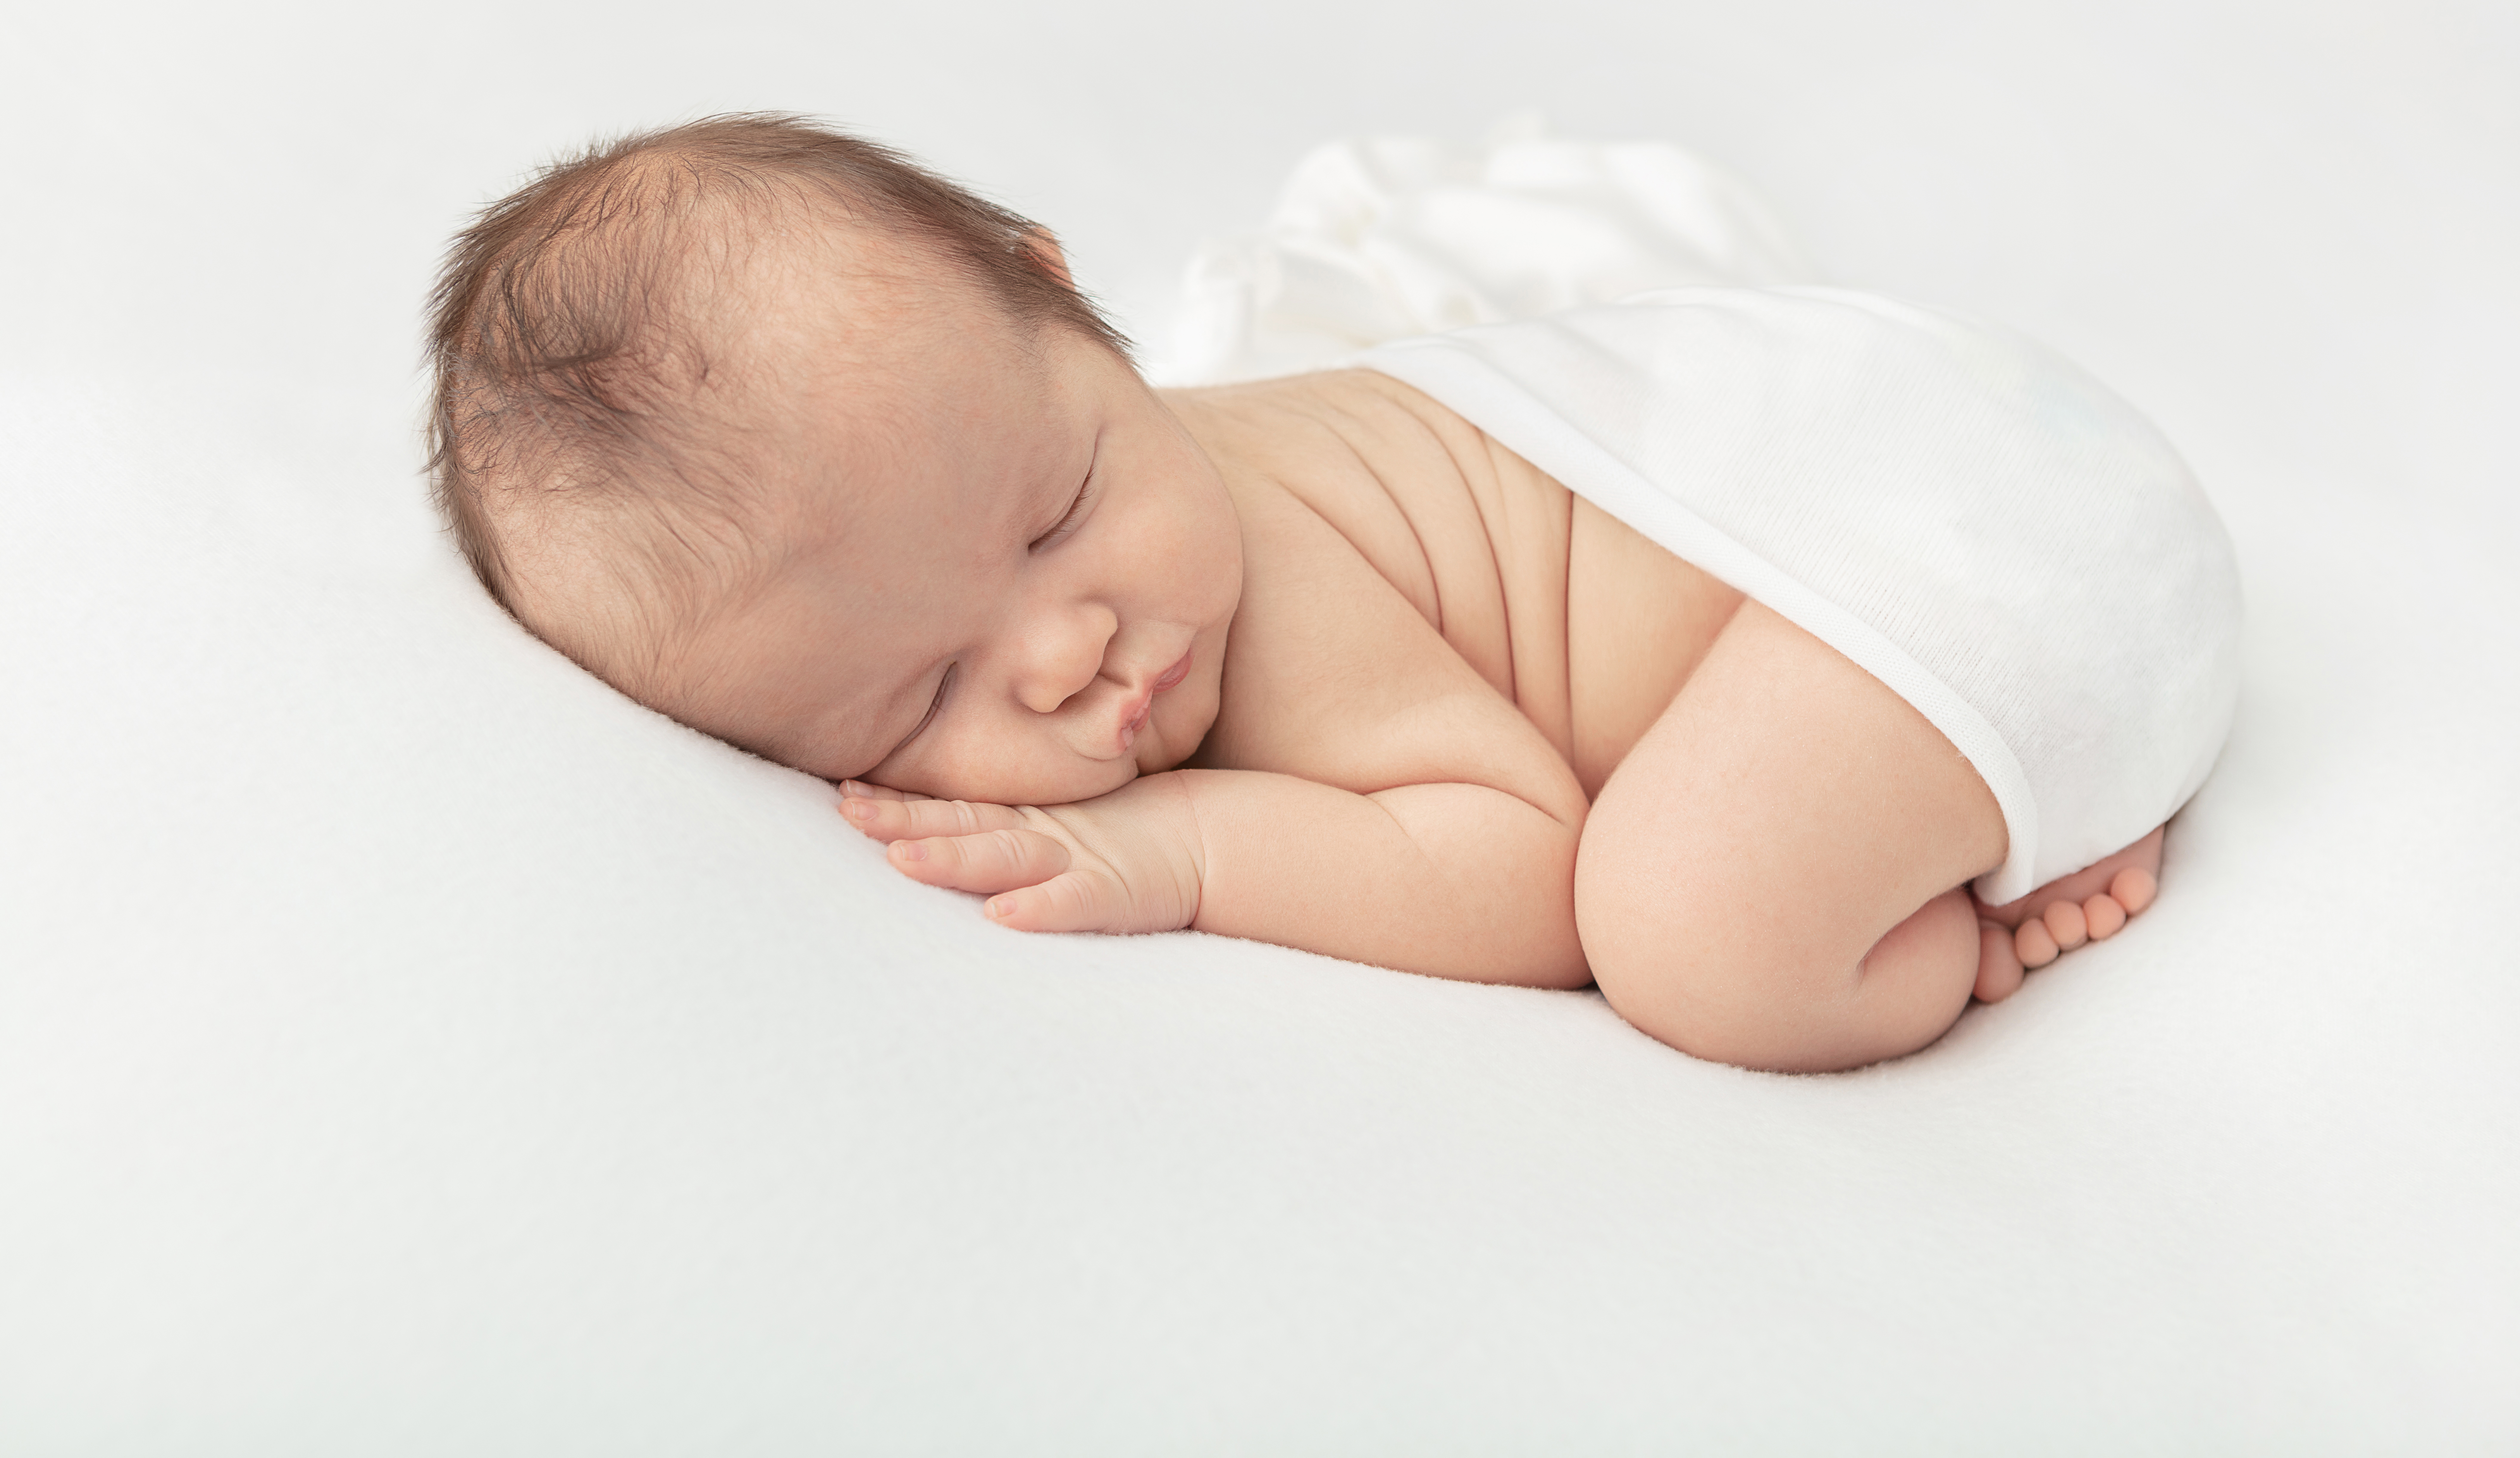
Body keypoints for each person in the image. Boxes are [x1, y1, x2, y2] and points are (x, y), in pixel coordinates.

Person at [426, 114, 2234, 1074]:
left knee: (1694, 936)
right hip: (1936, 445)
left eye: (1060, 512)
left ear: (1071, 304)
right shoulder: (1077, 501)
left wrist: (1193, 852)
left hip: (1983, 526)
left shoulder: (1272, 570)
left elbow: (1523, 868)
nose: (1070, 655)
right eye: (919, 702)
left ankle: (1979, 915)